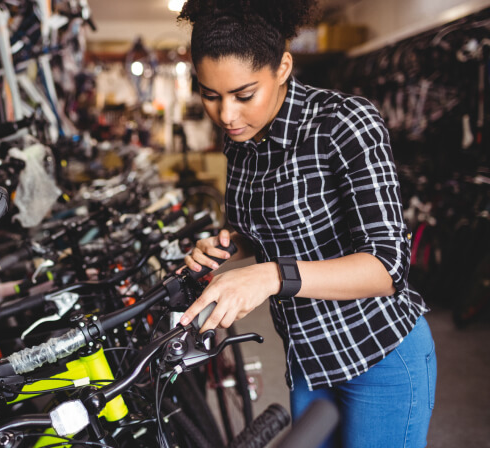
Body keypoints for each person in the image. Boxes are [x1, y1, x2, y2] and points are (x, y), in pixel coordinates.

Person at [175, 0, 436, 446]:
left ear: (283, 67)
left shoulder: (344, 123)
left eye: (243, 94)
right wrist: (224, 247)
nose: (227, 116)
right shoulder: (240, 139)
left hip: (379, 356)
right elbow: (259, 231)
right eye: (210, 95)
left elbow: (388, 267)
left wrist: (272, 276)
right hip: (310, 360)